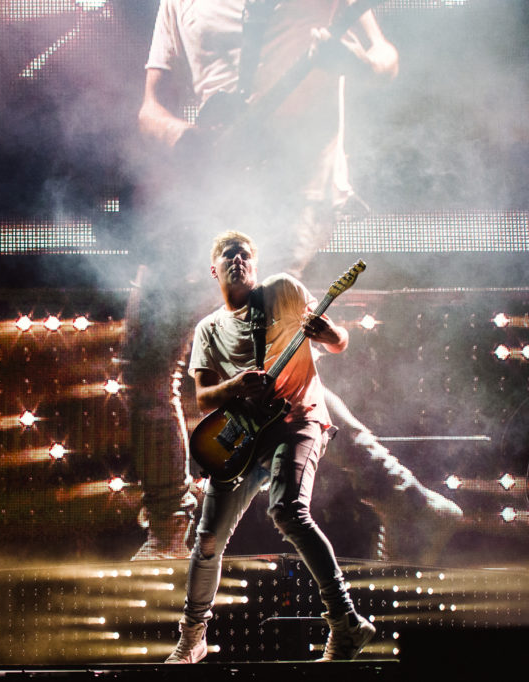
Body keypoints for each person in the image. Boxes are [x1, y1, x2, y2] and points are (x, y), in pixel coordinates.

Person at [126, 0, 462, 563]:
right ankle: (406, 501)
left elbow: (384, 59)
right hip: (210, 190)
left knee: (258, 366)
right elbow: (149, 109)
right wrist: (184, 137)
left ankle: (167, 529)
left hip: (295, 190)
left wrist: (354, 60)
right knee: (150, 358)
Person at [166, 230, 373, 663]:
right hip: (242, 440)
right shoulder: (209, 329)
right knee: (205, 541)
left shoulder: (284, 291)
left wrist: (329, 331)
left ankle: (345, 622)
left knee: (287, 510)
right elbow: (203, 398)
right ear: (214, 269)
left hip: (297, 421)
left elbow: (337, 344)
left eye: (244, 254)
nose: (237, 259)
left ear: (254, 267)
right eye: (228, 254)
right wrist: (238, 385)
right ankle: (193, 636)